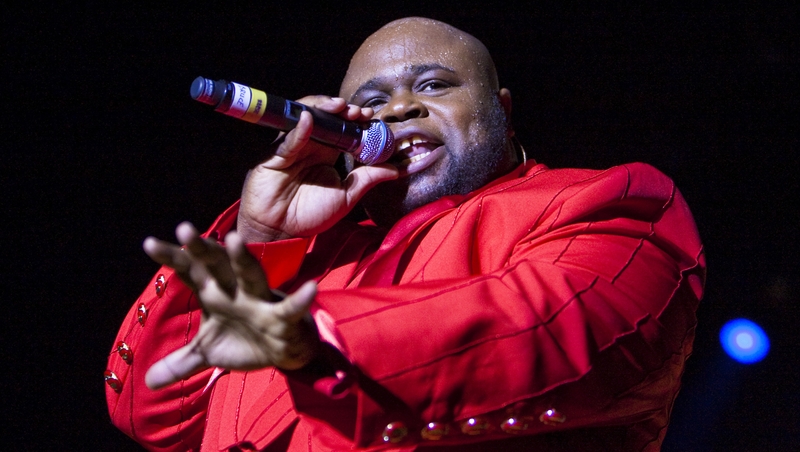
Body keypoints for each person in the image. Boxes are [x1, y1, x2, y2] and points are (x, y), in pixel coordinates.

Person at [105, 17, 705, 451]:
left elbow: (566, 330)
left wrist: (320, 343)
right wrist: (261, 238)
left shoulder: (602, 200)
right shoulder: (310, 261)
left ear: (501, 109)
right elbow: (158, 419)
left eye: (434, 85)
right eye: (371, 101)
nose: (397, 111)